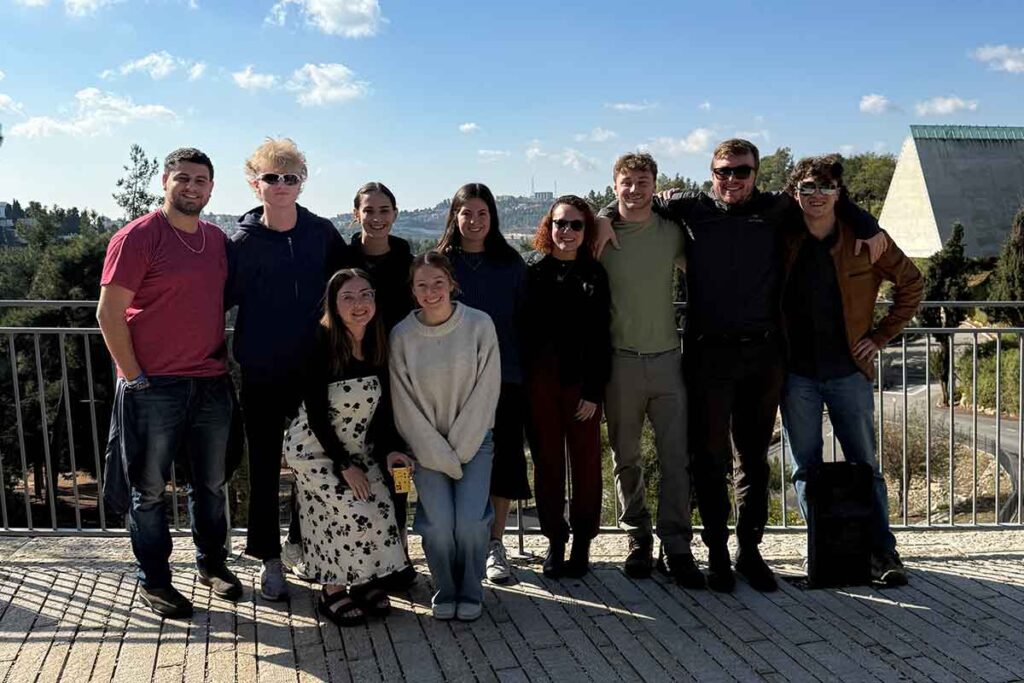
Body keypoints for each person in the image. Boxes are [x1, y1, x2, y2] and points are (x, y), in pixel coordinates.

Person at [598, 139, 887, 593]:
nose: (732, 179)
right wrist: (598, 218)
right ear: (711, 173)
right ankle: (714, 554)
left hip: (764, 354)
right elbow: (628, 201)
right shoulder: (689, 208)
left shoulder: (778, 208)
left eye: (742, 171)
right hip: (708, 354)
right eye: (723, 171)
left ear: (757, 173)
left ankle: (749, 554)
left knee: (752, 460)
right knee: (708, 460)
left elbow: (825, 201)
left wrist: (866, 222)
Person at [97, 147, 241, 619]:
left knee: (212, 485)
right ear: (164, 181)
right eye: (183, 178)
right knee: (151, 490)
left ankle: (212, 566)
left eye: (201, 179)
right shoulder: (137, 237)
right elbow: (108, 314)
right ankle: (155, 582)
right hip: (153, 385)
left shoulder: (216, 239)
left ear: (212, 187)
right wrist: (134, 378)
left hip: (210, 382)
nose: (192, 187)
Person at [779, 155, 922, 587]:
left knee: (866, 467)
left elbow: (912, 284)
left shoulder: (865, 240)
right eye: (807, 187)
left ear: (839, 194)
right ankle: (823, 549)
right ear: (794, 193)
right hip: (795, 374)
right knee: (804, 468)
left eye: (825, 187)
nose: (816, 195)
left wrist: (879, 337)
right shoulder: (781, 236)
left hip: (848, 372)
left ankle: (883, 553)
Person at [226, 138, 349, 600]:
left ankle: (305, 546)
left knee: (313, 464)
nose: (281, 185)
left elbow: (348, 289)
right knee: (262, 466)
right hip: (260, 372)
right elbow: (213, 301)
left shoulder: (321, 233)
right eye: (272, 177)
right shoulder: (240, 243)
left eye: (290, 177)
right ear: (254, 182)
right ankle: (269, 558)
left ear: (302, 182)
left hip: (315, 371)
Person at [595, 153, 704, 588]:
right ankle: (637, 538)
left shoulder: (672, 232)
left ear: (655, 185)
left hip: (667, 360)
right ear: (614, 185)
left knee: (676, 458)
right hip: (619, 361)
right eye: (627, 181)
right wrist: (602, 217)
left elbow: (706, 269)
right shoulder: (601, 236)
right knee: (626, 458)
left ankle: (676, 545)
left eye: (643, 181)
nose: (635, 189)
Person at [283, 268, 414, 625]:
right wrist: (344, 465)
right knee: (347, 512)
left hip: (356, 447)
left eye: (365, 295)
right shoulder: (320, 342)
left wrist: (390, 449)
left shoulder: (377, 342)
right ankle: (332, 591)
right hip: (314, 450)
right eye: (348, 297)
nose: (359, 304)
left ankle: (364, 581)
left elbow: (383, 410)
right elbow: (316, 415)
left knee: (381, 508)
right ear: (334, 304)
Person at [390, 251, 501, 621]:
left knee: (470, 522)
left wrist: (460, 448)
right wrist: (436, 451)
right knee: (437, 525)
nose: (431, 291)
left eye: (438, 282)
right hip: (424, 448)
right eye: (422, 285)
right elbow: (403, 403)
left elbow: (487, 390)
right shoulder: (402, 336)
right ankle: (445, 588)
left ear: (451, 283)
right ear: (412, 289)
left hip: (475, 442)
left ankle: (470, 590)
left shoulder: (480, 325)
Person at [437, 183, 530, 585]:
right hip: (449, 384)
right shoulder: (439, 265)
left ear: (492, 218)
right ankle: (458, 542)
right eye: (466, 213)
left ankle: (494, 544)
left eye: (482, 214)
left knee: (504, 461)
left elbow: (526, 321)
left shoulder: (511, 263)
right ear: (454, 217)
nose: (473, 222)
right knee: (453, 462)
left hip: (504, 377)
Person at [523, 196, 611, 579]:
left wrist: (594, 391)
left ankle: (582, 544)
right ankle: (555, 542)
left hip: (581, 386)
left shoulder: (595, 274)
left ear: (585, 230)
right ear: (549, 226)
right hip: (540, 385)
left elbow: (601, 338)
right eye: (560, 223)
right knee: (548, 466)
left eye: (576, 225)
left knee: (588, 465)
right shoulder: (532, 271)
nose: (567, 232)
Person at [340, 182, 415, 546]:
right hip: (352, 373)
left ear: (395, 214)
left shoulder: (405, 256)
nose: (377, 218)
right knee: (352, 454)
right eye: (369, 211)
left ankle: (399, 534)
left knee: (397, 455)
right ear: (357, 214)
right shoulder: (341, 259)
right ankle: (359, 542)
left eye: (384, 210)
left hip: (397, 372)